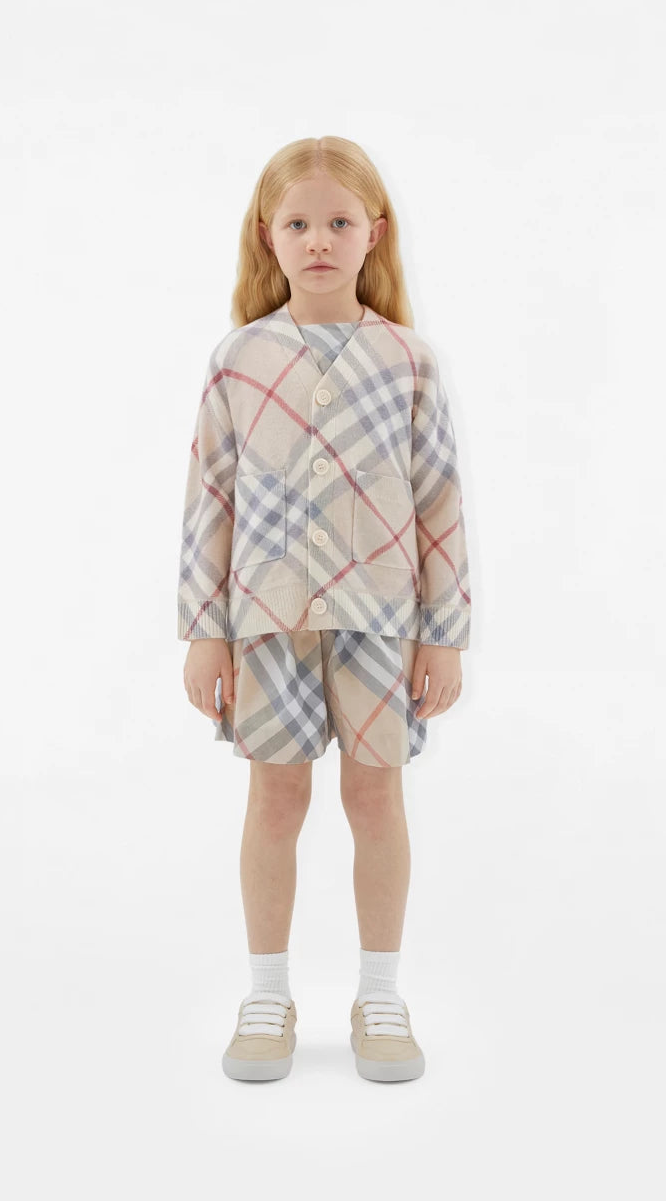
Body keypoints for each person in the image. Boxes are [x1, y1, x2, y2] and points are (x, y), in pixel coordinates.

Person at [176, 136, 472, 1083]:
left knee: (376, 797)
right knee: (276, 798)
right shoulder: (239, 361)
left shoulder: (408, 362)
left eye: (339, 222)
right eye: (298, 223)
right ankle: (267, 994)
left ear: (372, 234)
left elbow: (439, 502)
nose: (317, 240)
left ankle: (379, 995)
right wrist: (203, 633)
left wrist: (445, 637)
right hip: (265, 620)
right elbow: (210, 500)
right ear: (268, 235)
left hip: (383, 617)